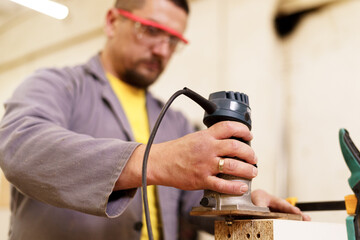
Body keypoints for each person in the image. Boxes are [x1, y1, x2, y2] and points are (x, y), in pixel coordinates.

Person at [0, 0, 309, 239]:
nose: (162, 50)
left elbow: (194, 207)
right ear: (112, 22)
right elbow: (19, 147)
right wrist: (156, 161)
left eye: (173, 40)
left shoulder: (174, 121)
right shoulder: (56, 85)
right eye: (150, 30)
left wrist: (244, 203)